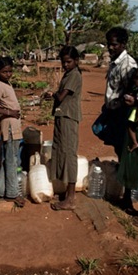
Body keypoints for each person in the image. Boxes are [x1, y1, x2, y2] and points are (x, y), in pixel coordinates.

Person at [98, 27, 138, 212]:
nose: (110, 47)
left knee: (126, 154)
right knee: (118, 151)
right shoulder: (115, 62)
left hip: (123, 115)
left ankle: (128, 197)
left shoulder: (128, 65)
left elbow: (130, 93)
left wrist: (117, 107)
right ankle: (123, 191)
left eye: (114, 44)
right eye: (109, 44)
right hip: (113, 111)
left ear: (123, 44)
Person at [0, 56, 26, 207]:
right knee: (12, 161)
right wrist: (9, 112)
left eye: (10, 71)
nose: (8, 74)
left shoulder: (4, 83)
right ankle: (13, 193)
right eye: (4, 72)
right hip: (10, 126)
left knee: (8, 159)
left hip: (12, 126)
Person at [47, 46, 83, 211]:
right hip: (63, 115)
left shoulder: (74, 75)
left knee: (68, 154)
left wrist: (53, 94)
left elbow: (61, 96)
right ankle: (65, 191)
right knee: (60, 151)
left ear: (76, 61)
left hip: (69, 117)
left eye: (68, 61)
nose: (65, 65)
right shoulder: (69, 74)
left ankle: (70, 197)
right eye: (63, 62)